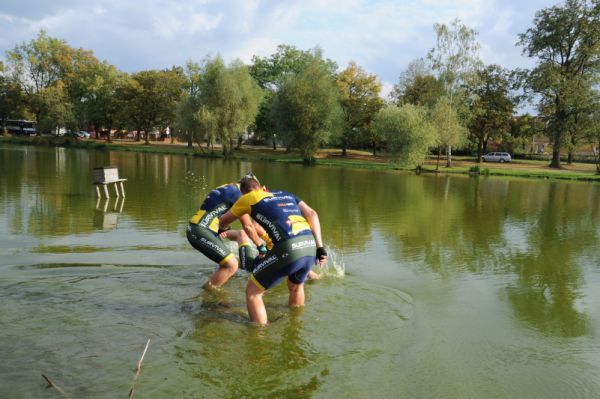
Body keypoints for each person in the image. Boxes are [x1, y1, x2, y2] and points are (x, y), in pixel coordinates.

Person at [218, 174, 327, 325]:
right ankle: (295, 325)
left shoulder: (247, 199)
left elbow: (223, 221)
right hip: (310, 245)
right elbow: (312, 214)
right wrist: (320, 247)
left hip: (288, 248)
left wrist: (223, 229)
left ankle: (260, 337)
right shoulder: (286, 194)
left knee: (253, 292)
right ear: (262, 187)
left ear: (243, 192)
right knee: (296, 286)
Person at [187, 180, 272, 289]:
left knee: (229, 267)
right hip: (200, 230)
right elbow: (248, 226)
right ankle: (208, 295)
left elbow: (223, 221)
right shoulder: (240, 196)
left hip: (198, 228)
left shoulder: (230, 188)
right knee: (232, 265)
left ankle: (215, 291)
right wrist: (261, 247)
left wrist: (224, 231)